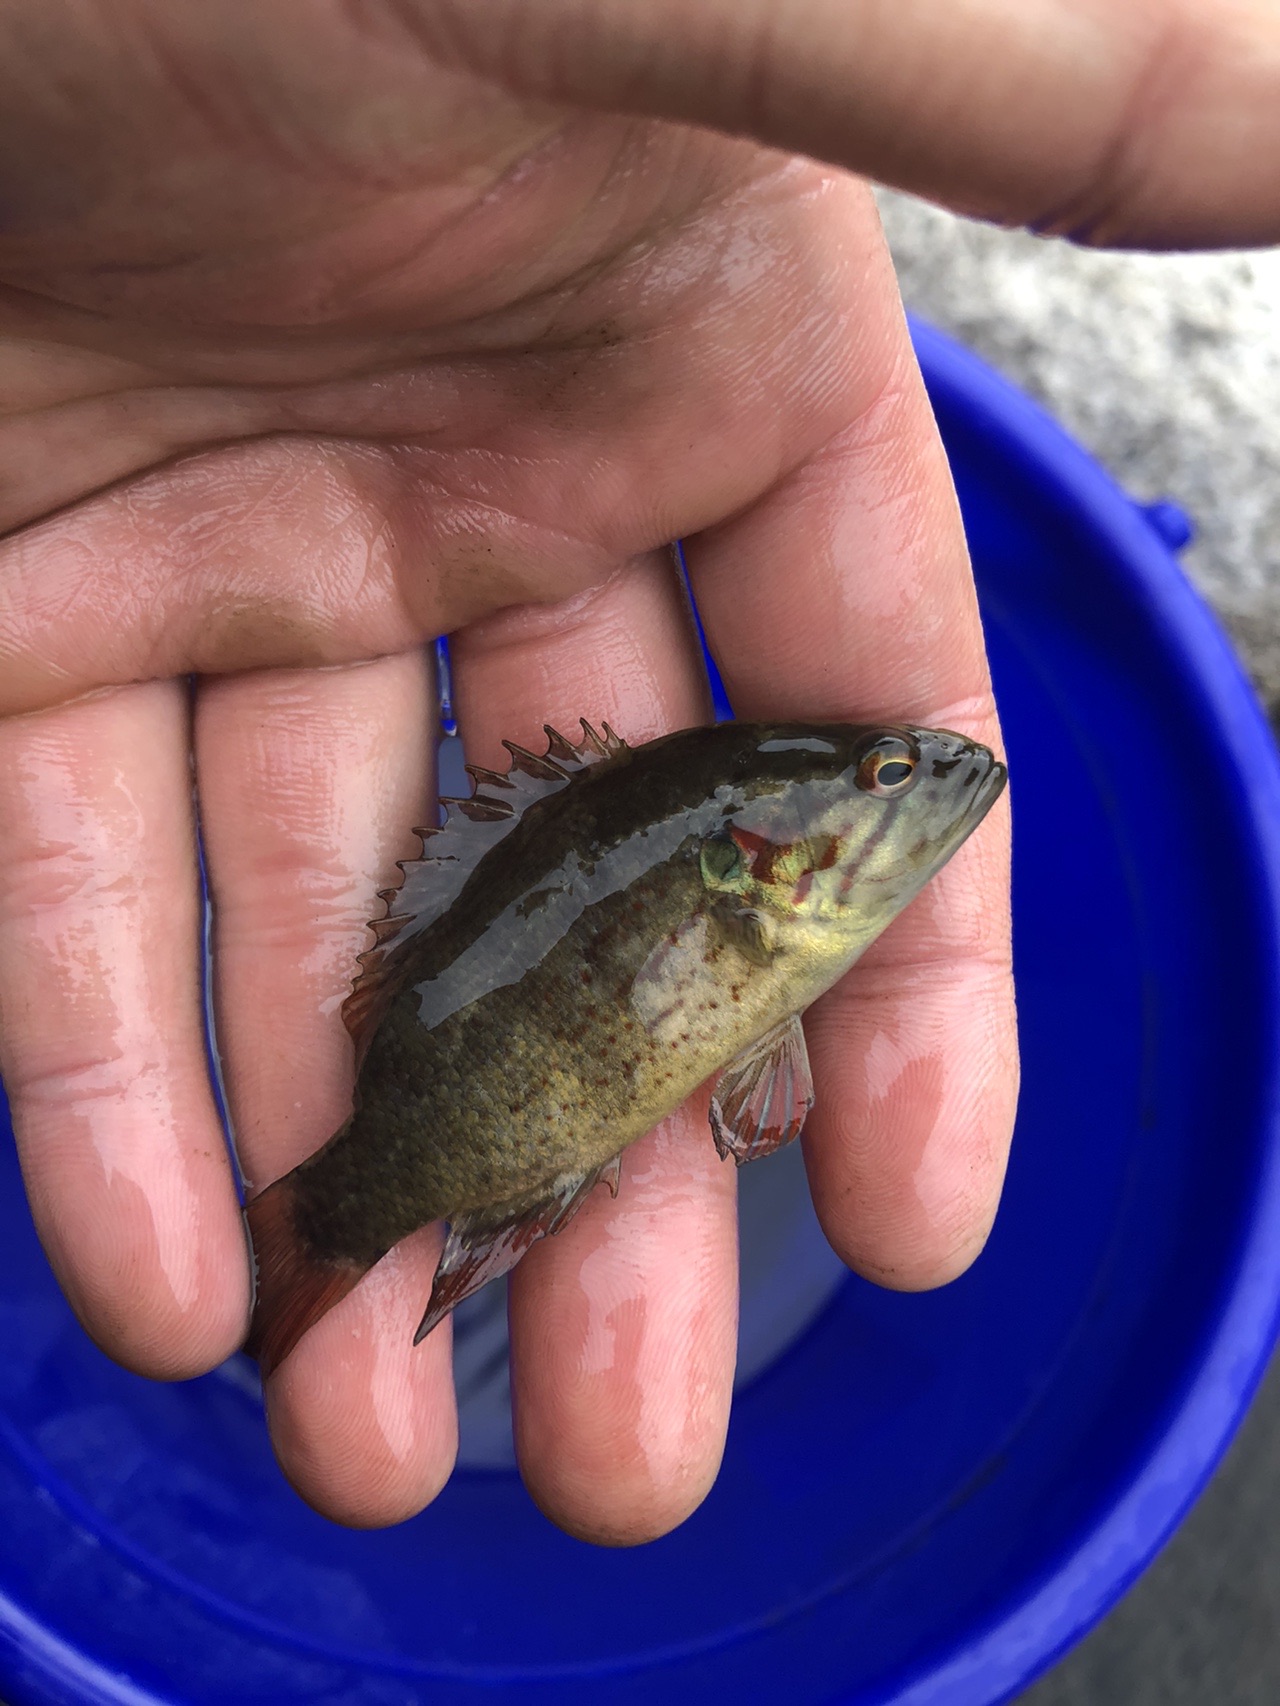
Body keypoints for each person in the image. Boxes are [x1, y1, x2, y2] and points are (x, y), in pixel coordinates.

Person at [0, 0, 1272, 1545]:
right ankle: (308, 1237)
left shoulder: (760, 898)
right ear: (766, 851)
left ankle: (293, 1257)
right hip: (458, 1083)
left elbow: (728, 1060)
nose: (929, 775)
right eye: (884, 771)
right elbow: (726, 1063)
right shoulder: (744, 900)